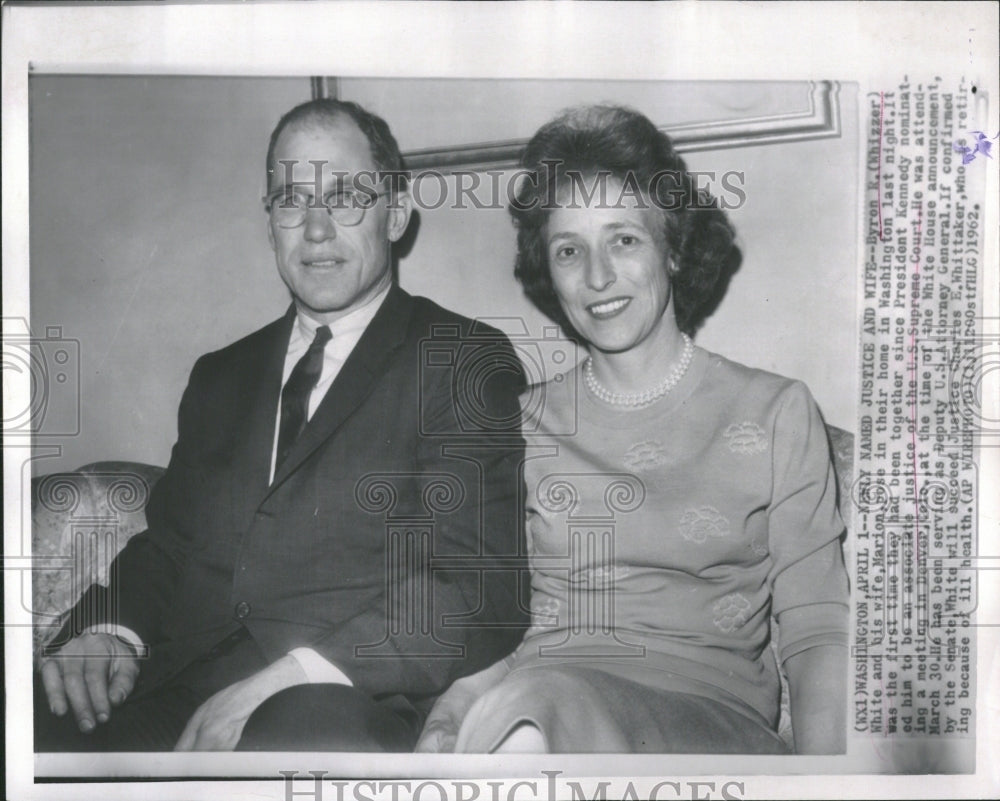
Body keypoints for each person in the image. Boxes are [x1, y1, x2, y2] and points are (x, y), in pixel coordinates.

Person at [35, 98, 529, 752]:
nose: (316, 228)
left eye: (346, 195)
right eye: (292, 199)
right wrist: (105, 629)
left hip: (330, 703)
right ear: (270, 222)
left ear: (397, 213)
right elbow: (168, 546)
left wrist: (289, 677)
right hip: (166, 685)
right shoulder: (220, 375)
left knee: (300, 740)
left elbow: (474, 590)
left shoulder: (461, 360)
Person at [416, 104, 849, 755]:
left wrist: (834, 789)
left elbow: (819, 635)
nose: (596, 277)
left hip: (712, 726)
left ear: (672, 247)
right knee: (520, 715)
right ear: (549, 273)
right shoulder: (518, 426)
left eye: (623, 238)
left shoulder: (775, 411)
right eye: (569, 250)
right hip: (539, 710)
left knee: (530, 715)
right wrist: (452, 715)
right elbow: (497, 632)